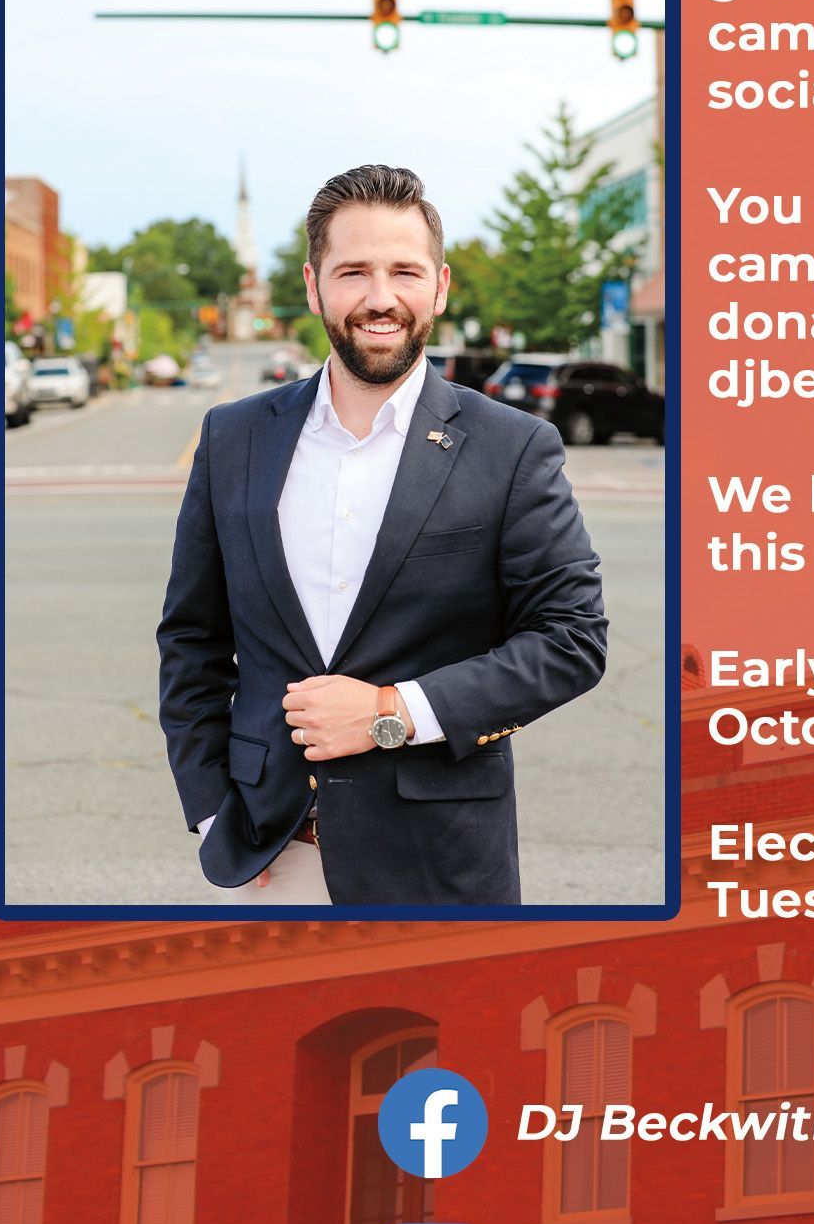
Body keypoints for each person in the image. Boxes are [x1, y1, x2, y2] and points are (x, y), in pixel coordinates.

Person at [157, 162, 607, 908]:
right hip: (272, 855)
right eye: (352, 271)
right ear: (312, 285)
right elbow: (192, 642)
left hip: (441, 865)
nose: (378, 298)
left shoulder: (512, 446)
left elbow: (570, 639)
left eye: (403, 270)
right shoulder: (232, 437)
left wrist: (389, 713)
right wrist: (210, 811)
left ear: (439, 284)